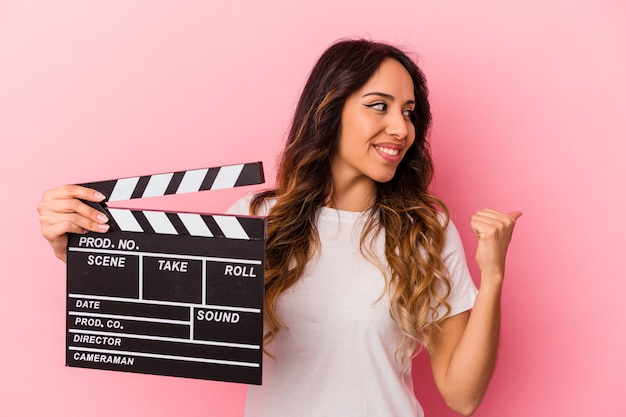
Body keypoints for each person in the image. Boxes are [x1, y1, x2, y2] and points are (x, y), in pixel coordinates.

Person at [38, 38, 521, 417]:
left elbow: (461, 396)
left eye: (409, 112)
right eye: (379, 105)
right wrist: (76, 249)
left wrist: (493, 275)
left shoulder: (426, 228)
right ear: (330, 109)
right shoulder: (255, 217)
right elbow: (166, 307)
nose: (401, 128)